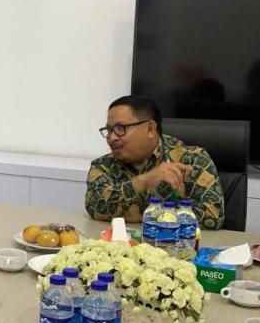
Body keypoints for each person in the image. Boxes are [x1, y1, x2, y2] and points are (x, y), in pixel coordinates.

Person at [85, 95, 225, 229]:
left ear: (150, 129)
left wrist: (141, 213)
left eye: (120, 128)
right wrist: (143, 181)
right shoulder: (103, 165)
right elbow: (95, 207)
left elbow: (212, 216)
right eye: (109, 130)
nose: (111, 138)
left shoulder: (191, 160)